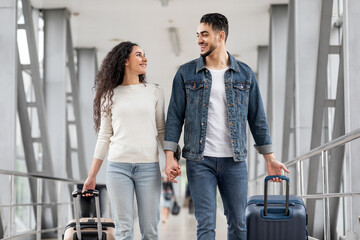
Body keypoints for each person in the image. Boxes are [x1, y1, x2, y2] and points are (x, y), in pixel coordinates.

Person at [163, 13, 290, 240]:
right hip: (199, 161)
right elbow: (174, 117)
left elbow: (257, 118)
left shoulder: (245, 74)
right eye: (198, 35)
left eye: (205, 35)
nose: (199, 40)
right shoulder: (186, 73)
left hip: (235, 162)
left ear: (221, 36)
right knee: (206, 225)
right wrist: (170, 156)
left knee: (239, 224)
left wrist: (269, 158)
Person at [82, 41, 165, 240]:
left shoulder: (154, 91)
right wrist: (92, 176)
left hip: (148, 168)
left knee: (150, 230)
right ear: (125, 60)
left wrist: (170, 158)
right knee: (123, 230)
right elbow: (104, 137)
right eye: (138, 55)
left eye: (144, 54)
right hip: (118, 168)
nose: (144, 58)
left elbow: (161, 129)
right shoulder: (109, 95)